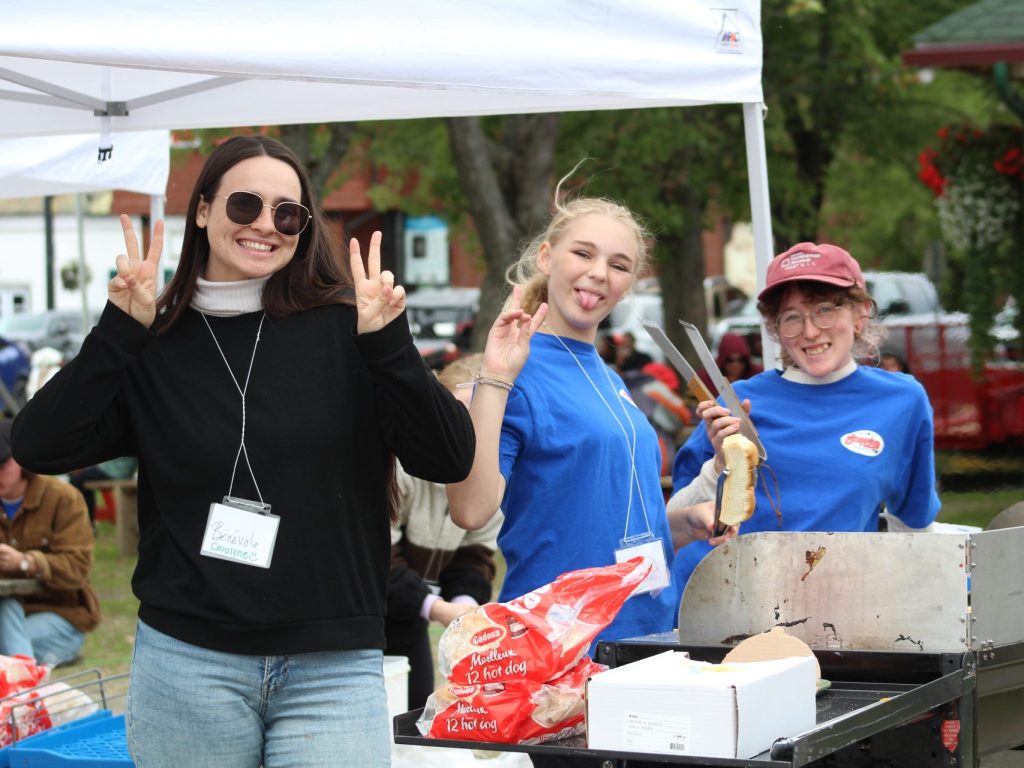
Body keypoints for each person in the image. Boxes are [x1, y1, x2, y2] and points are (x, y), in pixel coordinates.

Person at [11, 135, 474, 768]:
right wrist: (119, 330)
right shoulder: (155, 339)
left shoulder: (349, 326)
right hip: (188, 662)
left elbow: (449, 458)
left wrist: (390, 345)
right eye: (246, 205)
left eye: (288, 213)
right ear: (201, 210)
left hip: (331, 668)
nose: (266, 225)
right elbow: (39, 443)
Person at [446, 184, 729, 768]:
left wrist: (684, 522)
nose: (599, 273)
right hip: (567, 660)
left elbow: (603, 517)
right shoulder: (516, 367)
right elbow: (470, 511)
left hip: (647, 636)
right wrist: (495, 379)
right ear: (547, 258)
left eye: (618, 264)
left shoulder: (604, 372)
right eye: (583, 253)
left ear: (632, 281)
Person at [669, 242, 941, 593]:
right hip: (728, 607)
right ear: (774, 328)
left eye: (824, 310)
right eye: (792, 317)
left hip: (840, 608)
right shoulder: (738, 402)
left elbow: (913, 529)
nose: (810, 331)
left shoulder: (902, 401)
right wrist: (719, 465)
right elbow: (675, 525)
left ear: (860, 314)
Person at [385, 353, 501, 711]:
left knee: (414, 722)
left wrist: (464, 605)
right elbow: (377, 557)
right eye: (457, 415)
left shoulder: (492, 485)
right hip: (360, 620)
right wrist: (435, 607)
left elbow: (476, 556)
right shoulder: (399, 469)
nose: (466, 433)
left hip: (410, 621)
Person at [0, 418, 100, 667]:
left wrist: (26, 562)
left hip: (59, 616)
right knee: (7, 607)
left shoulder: (63, 499)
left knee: (7, 647)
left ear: (22, 459)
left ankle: (21, 690)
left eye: (1, 465)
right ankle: (23, 690)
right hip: (8, 612)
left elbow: (77, 568)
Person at [66, 457, 138, 528]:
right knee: (79, 481)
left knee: (76, 481)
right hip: (116, 471)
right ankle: (88, 523)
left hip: (112, 472)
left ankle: (87, 523)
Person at [698, 332, 762, 389]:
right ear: (722, 360)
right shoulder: (705, 379)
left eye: (741, 360)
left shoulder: (757, 376)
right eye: (730, 360)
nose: (735, 364)